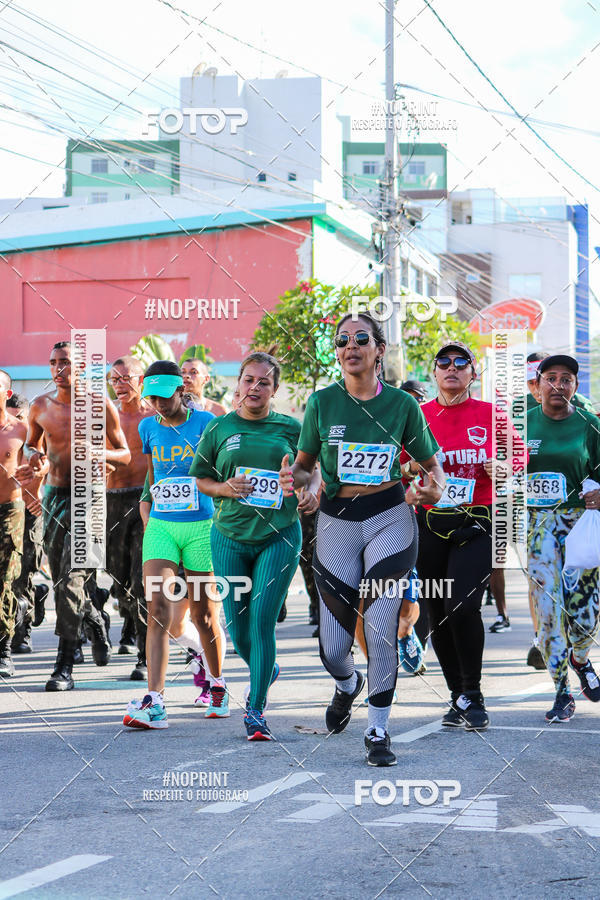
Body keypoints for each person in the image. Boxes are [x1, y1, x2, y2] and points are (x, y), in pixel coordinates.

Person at [280, 314, 443, 766]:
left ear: (379, 349)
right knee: (333, 648)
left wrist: (433, 486)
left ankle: (377, 730)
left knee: (379, 624)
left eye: (360, 339)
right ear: (338, 352)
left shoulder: (403, 406)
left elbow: (432, 466)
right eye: (342, 341)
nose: (350, 346)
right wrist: (299, 485)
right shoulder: (322, 403)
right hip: (337, 521)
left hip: (390, 515)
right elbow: (304, 465)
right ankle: (347, 684)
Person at [191, 351, 320, 741]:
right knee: (239, 626)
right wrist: (225, 488)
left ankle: (256, 709)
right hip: (229, 536)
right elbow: (202, 480)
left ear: (274, 390)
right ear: (238, 384)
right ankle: (266, 668)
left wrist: (308, 492)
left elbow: (314, 473)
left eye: (264, 382)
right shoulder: (219, 428)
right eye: (249, 380)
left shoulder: (291, 428)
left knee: (263, 621)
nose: (255, 387)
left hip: (279, 535)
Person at [406, 341, 521, 732]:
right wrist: (407, 472)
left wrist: (504, 464)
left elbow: (519, 455)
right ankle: (459, 695)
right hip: (430, 521)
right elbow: (399, 461)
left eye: (461, 363)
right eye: (443, 363)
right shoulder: (418, 414)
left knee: (464, 605)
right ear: (434, 373)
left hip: (479, 521)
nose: (451, 368)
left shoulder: (490, 415)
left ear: (474, 373)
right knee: (436, 610)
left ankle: (473, 691)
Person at [22, 341, 131, 691]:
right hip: (54, 496)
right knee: (60, 581)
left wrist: (99, 451)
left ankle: (63, 664)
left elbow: (125, 455)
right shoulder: (39, 406)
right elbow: (31, 444)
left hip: (90, 495)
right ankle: (95, 618)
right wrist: (33, 456)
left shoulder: (101, 405)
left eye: (66, 362)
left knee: (71, 578)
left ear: (82, 367)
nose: (59, 369)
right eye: (54, 363)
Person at [124, 360, 226, 729]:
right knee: (157, 609)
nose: (158, 404)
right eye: (151, 397)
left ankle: (217, 684)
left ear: (182, 390)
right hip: (162, 526)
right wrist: (146, 507)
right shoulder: (147, 426)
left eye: (165, 396)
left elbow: (223, 471)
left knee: (203, 615)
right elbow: (153, 475)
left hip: (201, 526)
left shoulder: (207, 424)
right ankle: (155, 701)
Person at [527, 354, 600, 722]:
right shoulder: (520, 426)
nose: (558, 385)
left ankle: (581, 658)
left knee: (587, 614)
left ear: (575, 386)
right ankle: (561, 691)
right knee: (548, 611)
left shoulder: (589, 425)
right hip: (540, 525)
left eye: (566, 378)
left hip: (582, 523)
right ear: (538, 385)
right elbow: (501, 471)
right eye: (550, 378)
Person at [106, 356, 154, 679]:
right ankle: (121, 615)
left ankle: (145, 654)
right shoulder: (104, 415)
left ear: (140, 381)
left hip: (144, 500)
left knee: (141, 580)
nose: (119, 385)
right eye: (114, 379)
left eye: (126, 378)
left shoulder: (153, 417)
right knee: (118, 578)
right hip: (111, 502)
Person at [6, 394, 45, 656]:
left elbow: (48, 466)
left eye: (20, 416)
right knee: (8, 576)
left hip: (32, 510)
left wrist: (39, 492)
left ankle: (23, 632)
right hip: (7, 511)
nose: (15, 421)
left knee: (23, 574)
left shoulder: (34, 435)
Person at [0, 373, 29, 677]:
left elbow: (40, 462)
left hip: (11, 509)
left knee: (6, 578)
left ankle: (4, 649)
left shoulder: (21, 428)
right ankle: (15, 611)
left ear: (7, 394)